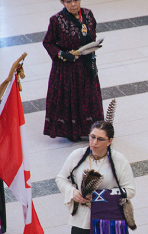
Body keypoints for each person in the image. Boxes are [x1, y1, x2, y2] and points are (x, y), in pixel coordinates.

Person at [56, 121, 136, 234]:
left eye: (100, 139)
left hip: (107, 221)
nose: (94, 143)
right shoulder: (77, 156)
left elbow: (130, 189)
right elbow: (61, 178)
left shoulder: (118, 160)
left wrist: (101, 196)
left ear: (110, 141)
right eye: (92, 137)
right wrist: (72, 192)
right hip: (81, 221)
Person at [43, 0, 103, 141]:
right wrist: (61, 54)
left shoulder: (88, 14)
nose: (73, 4)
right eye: (68, 1)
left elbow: (91, 35)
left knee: (90, 96)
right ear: (63, 3)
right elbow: (47, 42)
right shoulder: (56, 20)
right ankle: (72, 131)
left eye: (75, 0)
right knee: (71, 97)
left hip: (86, 65)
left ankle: (92, 129)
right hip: (67, 69)